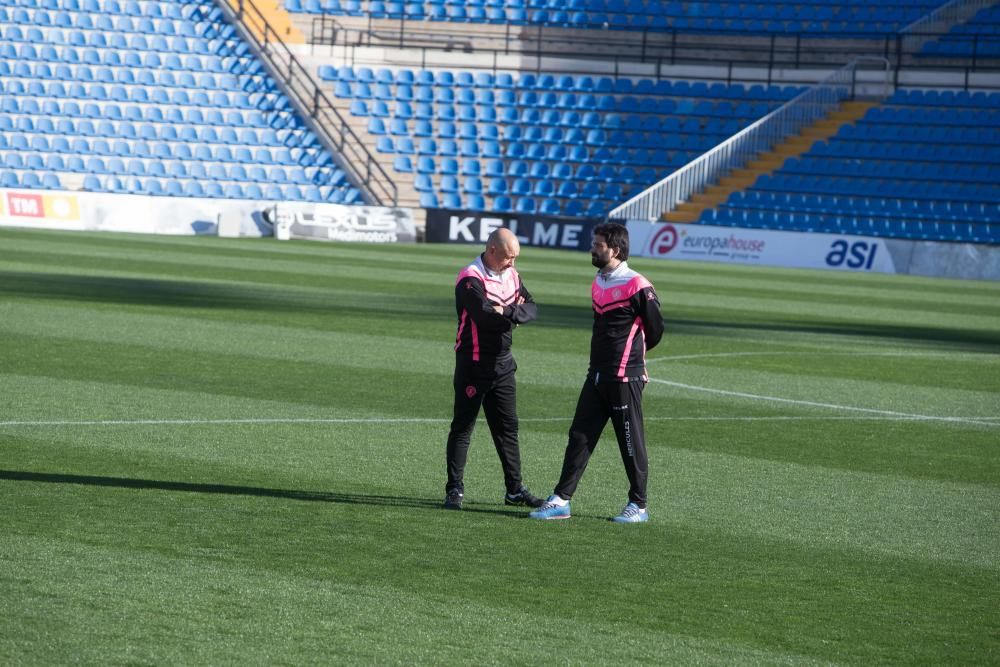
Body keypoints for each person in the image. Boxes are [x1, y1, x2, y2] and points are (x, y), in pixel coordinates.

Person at [529, 222, 664, 523]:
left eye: (598, 244)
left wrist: (632, 361)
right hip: (597, 374)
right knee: (580, 436)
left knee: (630, 442)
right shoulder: (599, 280)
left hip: (624, 377)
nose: (592, 248)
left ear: (614, 250)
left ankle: (638, 505)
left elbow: (655, 331)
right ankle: (561, 499)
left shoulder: (638, 286)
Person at [444, 227, 544, 510]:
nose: (513, 263)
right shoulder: (470, 278)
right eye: (509, 257)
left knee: (508, 429)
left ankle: (514, 490)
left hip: (503, 365)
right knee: (463, 428)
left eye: (515, 257)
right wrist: (511, 313)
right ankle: (454, 489)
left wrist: (507, 311)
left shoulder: (512, 275)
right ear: (492, 251)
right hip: (473, 363)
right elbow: (483, 316)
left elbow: (532, 308)